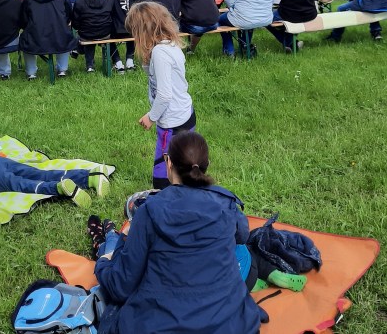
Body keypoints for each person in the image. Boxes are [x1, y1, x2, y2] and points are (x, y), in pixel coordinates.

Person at [92, 131, 263, 334]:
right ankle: (109, 240)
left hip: (161, 325)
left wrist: (102, 264)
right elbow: (242, 237)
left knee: (118, 263)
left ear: (169, 163)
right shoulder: (226, 204)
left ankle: (106, 243)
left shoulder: (150, 211)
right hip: (232, 324)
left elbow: (122, 286)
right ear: (206, 164)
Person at [123, 1, 196, 189]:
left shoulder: (160, 53)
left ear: (142, 32)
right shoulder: (170, 45)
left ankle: (165, 197)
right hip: (184, 113)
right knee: (184, 162)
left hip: (171, 122)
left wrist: (151, 116)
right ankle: (186, 190)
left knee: (164, 171)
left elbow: (164, 94)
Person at [20, 0, 76, 80]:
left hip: (35, 37)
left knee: (25, 38)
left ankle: (31, 72)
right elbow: (68, 15)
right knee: (64, 33)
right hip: (59, 35)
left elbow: (23, 19)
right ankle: (62, 69)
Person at [72, 0, 117, 74]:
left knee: (86, 34)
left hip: (87, 33)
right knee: (90, 32)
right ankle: (80, 52)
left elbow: (75, 21)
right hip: (106, 31)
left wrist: (79, 28)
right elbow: (112, 13)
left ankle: (90, 65)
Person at [108, 0, 146, 70]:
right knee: (135, 24)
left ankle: (118, 62)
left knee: (106, 33)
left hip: (116, 28)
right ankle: (130, 60)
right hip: (135, 28)